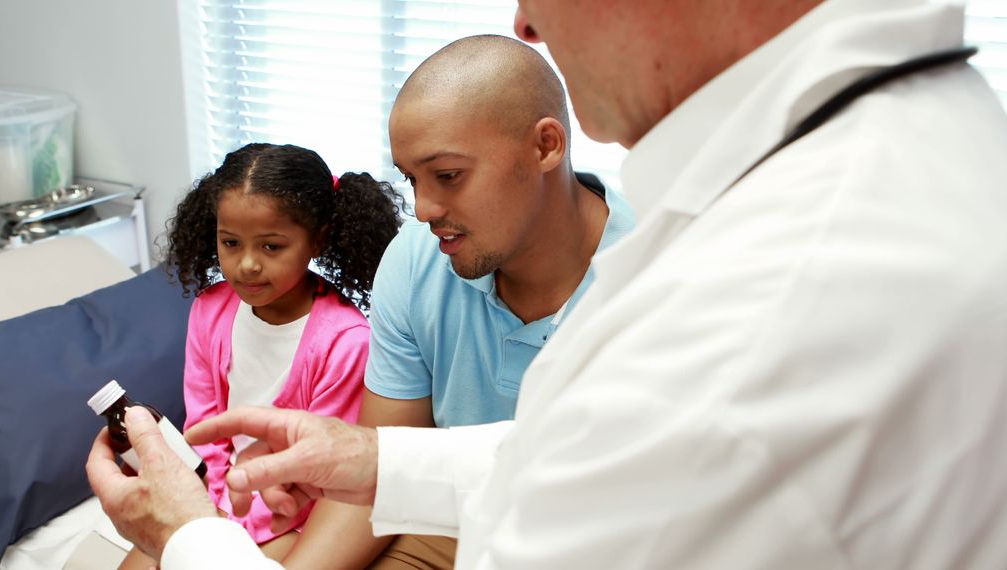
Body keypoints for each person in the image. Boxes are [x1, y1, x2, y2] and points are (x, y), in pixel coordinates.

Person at [89, 0, 1007, 568]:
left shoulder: (769, 304)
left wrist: (187, 536)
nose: (528, 19)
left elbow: (650, 454)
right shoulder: (907, 146)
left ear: (546, 148)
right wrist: (373, 460)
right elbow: (615, 455)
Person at [275, 34, 634, 569]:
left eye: (447, 176)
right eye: (411, 179)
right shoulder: (418, 260)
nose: (422, 208)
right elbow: (382, 466)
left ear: (545, 146)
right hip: (456, 522)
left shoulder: (657, 274)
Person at [117, 142, 404, 568]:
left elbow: (317, 470)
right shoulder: (209, 311)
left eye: (271, 247)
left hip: (293, 514)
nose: (247, 264)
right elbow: (204, 428)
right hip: (219, 495)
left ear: (317, 241)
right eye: (231, 242)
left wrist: (232, 528)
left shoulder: (346, 343)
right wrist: (206, 508)